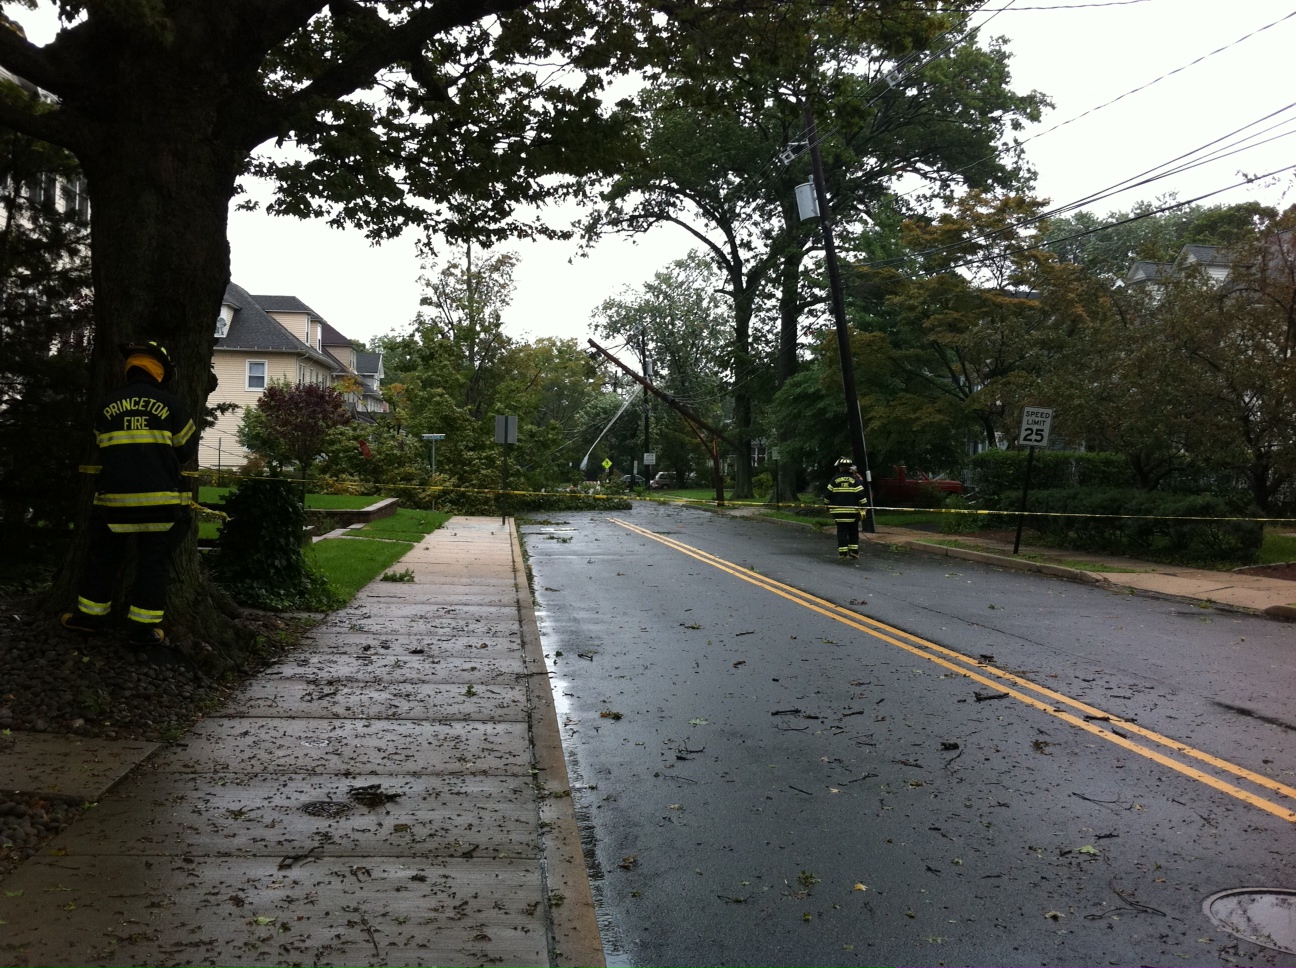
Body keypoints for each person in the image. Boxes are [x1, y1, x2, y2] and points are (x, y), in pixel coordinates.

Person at [60, 341, 197, 651]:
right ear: (161, 372)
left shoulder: (105, 406)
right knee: (153, 564)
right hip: (161, 507)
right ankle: (142, 629)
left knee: (103, 559)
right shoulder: (173, 406)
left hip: (114, 505)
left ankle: (90, 619)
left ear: (130, 369)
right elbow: (185, 452)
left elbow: (101, 445)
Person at [825, 456, 866, 560]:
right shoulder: (854, 480)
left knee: (841, 532)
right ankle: (854, 552)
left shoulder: (834, 479)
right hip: (852, 513)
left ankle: (842, 554)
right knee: (853, 532)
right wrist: (864, 507)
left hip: (839, 513)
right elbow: (861, 494)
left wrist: (826, 505)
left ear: (840, 467)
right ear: (850, 468)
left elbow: (827, 494)